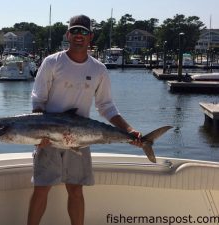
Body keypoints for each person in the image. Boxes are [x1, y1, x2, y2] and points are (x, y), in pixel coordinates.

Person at [28, 14, 142, 225]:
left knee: (76, 190)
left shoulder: (99, 69)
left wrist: (129, 130)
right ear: (67, 35)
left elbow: (106, 106)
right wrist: (38, 132)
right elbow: (38, 100)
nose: (79, 35)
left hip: (79, 138)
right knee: (41, 188)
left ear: (91, 36)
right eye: (75, 31)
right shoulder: (52, 62)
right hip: (48, 136)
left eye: (83, 32)